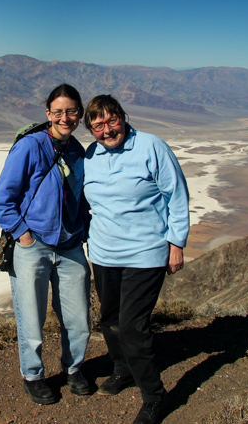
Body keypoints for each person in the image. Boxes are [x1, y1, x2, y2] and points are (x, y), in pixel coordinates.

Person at [82, 94, 189, 424]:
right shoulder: (91, 155)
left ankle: (155, 396)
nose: (106, 129)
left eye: (112, 120)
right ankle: (123, 369)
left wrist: (176, 243)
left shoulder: (151, 147)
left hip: (146, 252)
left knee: (132, 327)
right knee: (109, 319)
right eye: (97, 124)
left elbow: (176, 194)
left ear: (123, 117)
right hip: (103, 252)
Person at [0, 83, 92, 405]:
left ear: (80, 114)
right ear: (48, 114)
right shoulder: (30, 146)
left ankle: (74, 369)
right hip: (33, 246)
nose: (66, 117)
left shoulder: (78, 151)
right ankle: (33, 375)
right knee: (31, 317)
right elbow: (3, 200)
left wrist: (83, 229)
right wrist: (23, 234)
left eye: (72, 111)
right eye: (59, 111)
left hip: (70, 245)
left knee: (78, 319)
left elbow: (83, 199)